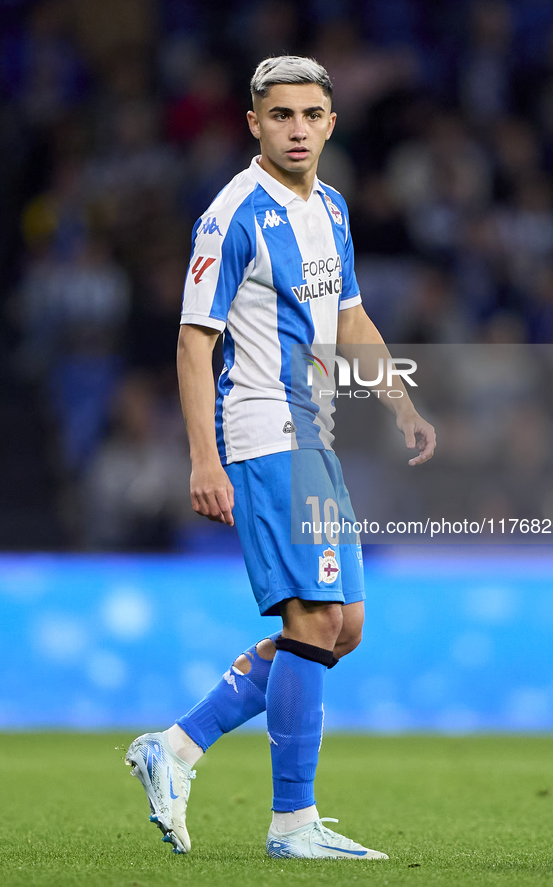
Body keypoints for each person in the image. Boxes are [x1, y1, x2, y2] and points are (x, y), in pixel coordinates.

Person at [125, 55, 436, 861]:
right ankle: (292, 823)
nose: (296, 128)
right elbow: (196, 342)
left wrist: (399, 400)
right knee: (314, 617)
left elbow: (354, 318)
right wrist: (204, 457)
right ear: (253, 123)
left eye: (310, 114)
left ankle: (178, 746)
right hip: (264, 430)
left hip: (318, 432)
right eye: (280, 115)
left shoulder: (330, 207)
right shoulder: (230, 215)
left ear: (331, 123)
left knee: (344, 628)